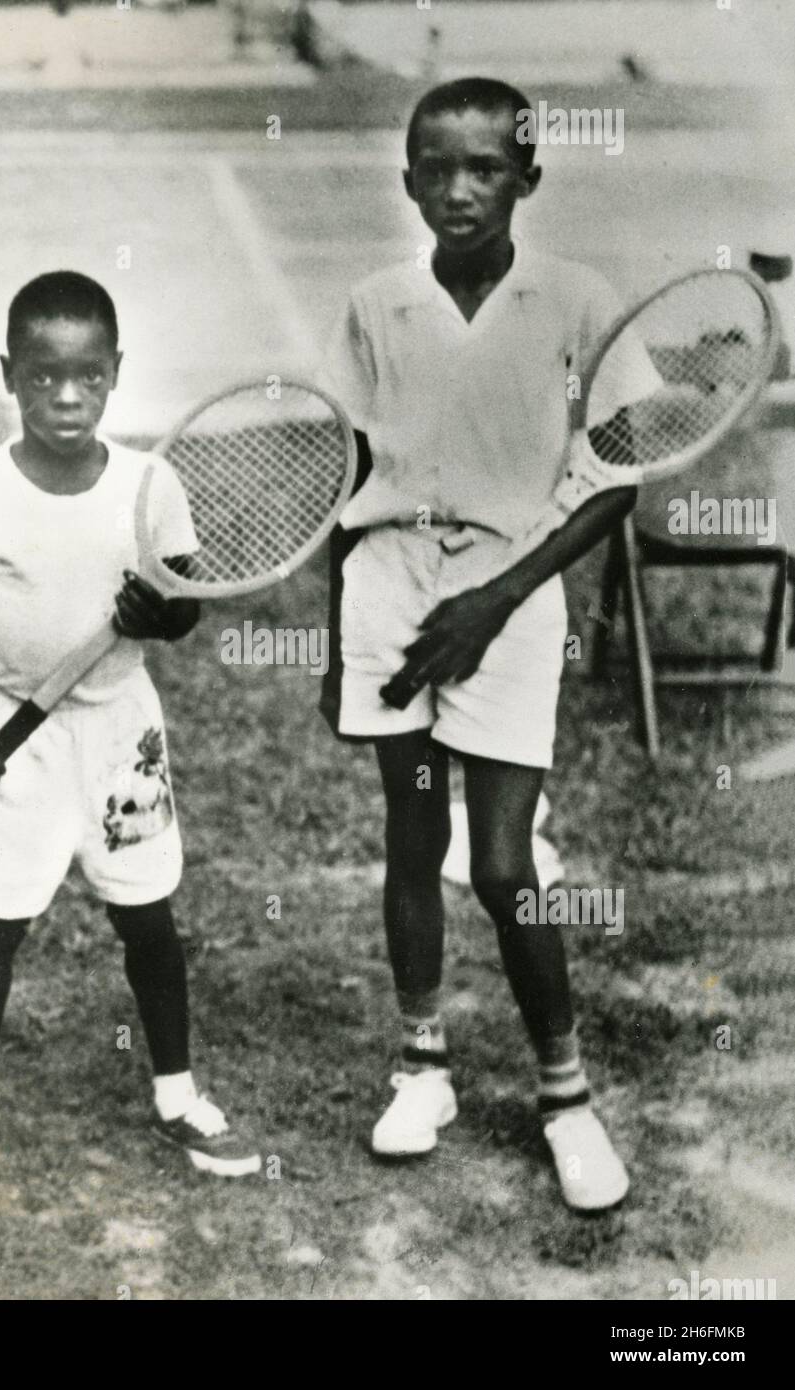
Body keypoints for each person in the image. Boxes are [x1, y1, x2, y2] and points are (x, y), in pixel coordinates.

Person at [320, 79, 660, 1210]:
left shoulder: (575, 301)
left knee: (507, 863)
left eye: (485, 168)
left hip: (508, 598)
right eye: (435, 166)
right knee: (411, 839)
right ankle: (423, 1066)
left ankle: (565, 1096)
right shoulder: (376, 302)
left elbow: (618, 475)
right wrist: (339, 641)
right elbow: (353, 478)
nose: (458, 189)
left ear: (528, 178)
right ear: (406, 175)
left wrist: (499, 596)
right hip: (389, 592)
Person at [0, 270, 260, 1193]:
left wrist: (157, 616)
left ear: (116, 371)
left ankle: (177, 1098)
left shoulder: (149, 483)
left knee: (147, 919)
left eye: (87, 374)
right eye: (44, 376)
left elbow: (183, 614)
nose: (66, 394)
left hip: (120, 734)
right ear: (8, 374)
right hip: (12, 732)